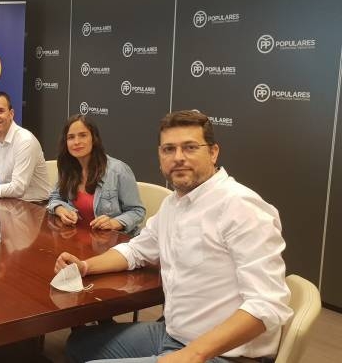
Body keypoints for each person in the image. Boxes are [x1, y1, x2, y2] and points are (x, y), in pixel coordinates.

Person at [54, 110, 292, 363]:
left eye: (190, 147)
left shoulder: (241, 207)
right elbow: (136, 250)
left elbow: (267, 304)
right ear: (160, 156)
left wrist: (192, 355)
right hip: (175, 334)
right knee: (79, 343)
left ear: (213, 152)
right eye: (169, 149)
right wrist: (85, 266)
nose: (178, 158)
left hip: (222, 354)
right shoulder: (173, 204)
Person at [47, 115, 145, 235]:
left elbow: (137, 211)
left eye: (83, 135)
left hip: (114, 243)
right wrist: (61, 210)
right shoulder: (68, 168)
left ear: (94, 139)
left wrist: (114, 223)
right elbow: (55, 198)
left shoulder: (118, 170)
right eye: (71, 137)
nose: (76, 142)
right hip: (77, 238)